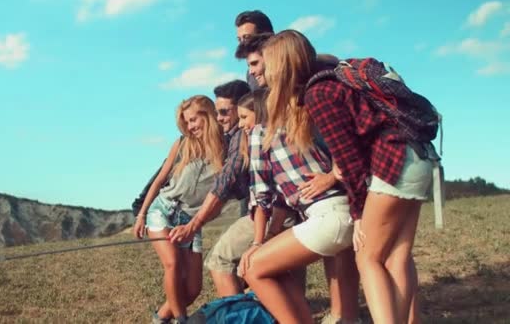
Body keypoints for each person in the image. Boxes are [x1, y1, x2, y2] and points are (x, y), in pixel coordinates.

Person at [264, 30, 435, 323]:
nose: (264, 74)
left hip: (393, 160)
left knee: (367, 257)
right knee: (397, 256)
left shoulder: (318, 95)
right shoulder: (334, 78)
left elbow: (349, 162)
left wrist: (357, 215)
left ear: (282, 67)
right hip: (418, 154)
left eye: (267, 67)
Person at [237, 33, 361, 324]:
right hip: (348, 211)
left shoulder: (263, 131)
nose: (255, 71)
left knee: (252, 268)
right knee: (347, 318)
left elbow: (261, 195)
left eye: (259, 64)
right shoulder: (304, 106)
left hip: (328, 215)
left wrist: (258, 242)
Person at [133, 96, 225, 324]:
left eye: (194, 120)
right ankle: (182, 320)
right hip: (164, 210)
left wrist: (196, 225)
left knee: (193, 288)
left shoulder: (226, 148)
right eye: (187, 122)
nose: (191, 126)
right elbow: (160, 179)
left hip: (193, 222)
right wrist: (142, 214)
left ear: (208, 114)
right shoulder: (183, 143)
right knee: (172, 263)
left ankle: (161, 318)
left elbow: (221, 197)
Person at [168, 80, 254, 297]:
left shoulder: (240, 137)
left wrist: (194, 225)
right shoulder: (232, 136)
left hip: (268, 212)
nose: (219, 118)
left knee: (220, 261)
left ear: (242, 107)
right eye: (217, 112)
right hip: (266, 211)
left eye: (224, 112)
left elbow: (224, 182)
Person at [234, 10, 274, 90]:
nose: (242, 44)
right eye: (239, 39)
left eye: (247, 37)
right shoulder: (251, 76)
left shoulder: (290, 62)